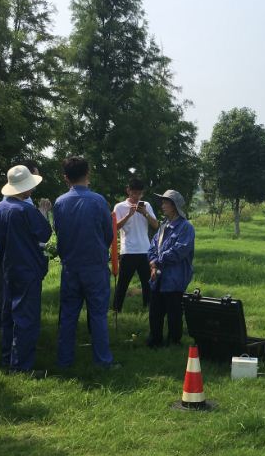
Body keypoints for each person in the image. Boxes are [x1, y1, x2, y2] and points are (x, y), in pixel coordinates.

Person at [52, 156, 120, 369]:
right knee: (98, 315)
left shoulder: (60, 202)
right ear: (88, 174)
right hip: (95, 266)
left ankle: (64, 361)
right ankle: (102, 361)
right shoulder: (98, 201)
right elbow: (108, 234)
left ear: (66, 178)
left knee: (68, 315)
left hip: (70, 266)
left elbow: (59, 232)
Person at [0, 165, 53, 376]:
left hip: (8, 267)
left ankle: (7, 358)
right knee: (26, 318)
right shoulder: (25, 210)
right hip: (27, 267)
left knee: (9, 315)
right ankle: (21, 366)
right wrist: (43, 213)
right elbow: (44, 234)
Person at [0, 160, 42, 332]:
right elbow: (43, 233)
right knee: (19, 306)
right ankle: (14, 338)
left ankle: (4, 336)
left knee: (6, 301)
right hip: (22, 263)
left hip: (6, 260)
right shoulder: (25, 209)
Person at [147, 189, 195, 347]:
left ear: (174, 206)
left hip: (175, 277)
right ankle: (155, 341)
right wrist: (153, 263)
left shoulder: (186, 227)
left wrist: (157, 262)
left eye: (165, 203)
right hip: (158, 276)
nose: (162, 206)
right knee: (155, 310)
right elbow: (152, 247)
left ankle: (174, 342)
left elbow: (179, 251)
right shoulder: (163, 226)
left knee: (174, 312)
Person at [112, 178, 159, 313]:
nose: (136, 196)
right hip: (128, 251)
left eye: (139, 194)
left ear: (142, 193)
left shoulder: (146, 206)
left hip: (145, 250)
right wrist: (128, 215)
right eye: (134, 193)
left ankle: (148, 309)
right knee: (123, 283)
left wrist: (145, 213)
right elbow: (114, 227)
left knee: (147, 283)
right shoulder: (119, 207)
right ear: (128, 191)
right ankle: (116, 310)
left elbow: (156, 225)